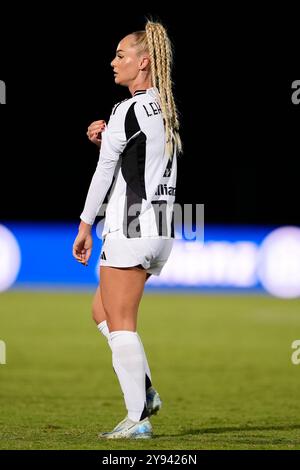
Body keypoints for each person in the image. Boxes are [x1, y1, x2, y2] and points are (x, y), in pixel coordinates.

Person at [72, 20, 181, 439]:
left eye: (121, 55)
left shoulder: (126, 109)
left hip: (130, 223)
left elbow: (104, 174)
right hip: (161, 225)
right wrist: (109, 140)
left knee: (120, 323)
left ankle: (138, 419)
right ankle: (146, 391)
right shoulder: (163, 107)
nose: (113, 61)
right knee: (101, 311)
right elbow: (138, 159)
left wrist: (84, 224)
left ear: (144, 61)